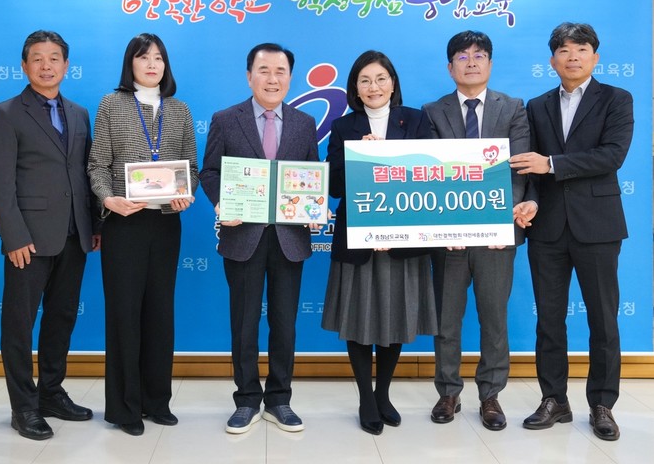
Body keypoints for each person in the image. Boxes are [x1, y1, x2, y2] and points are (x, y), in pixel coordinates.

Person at [509, 22, 633, 441]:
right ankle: (554, 400)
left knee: (603, 320)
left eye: (581, 49)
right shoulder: (537, 105)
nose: (573, 57)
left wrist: (553, 164)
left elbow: (611, 156)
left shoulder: (616, 99)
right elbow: (531, 169)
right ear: (552, 60)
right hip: (547, 227)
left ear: (595, 57)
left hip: (597, 225)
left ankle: (602, 404)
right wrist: (530, 199)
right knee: (549, 320)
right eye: (564, 50)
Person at [0, 30, 101, 441]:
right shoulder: (6, 114)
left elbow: (86, 173)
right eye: (37, 58)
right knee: (19, 324)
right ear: (24, 65)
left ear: (66, 65)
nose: (46, 65)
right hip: (28, 239)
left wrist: (94, 225)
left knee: (61, 317)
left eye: (54, 58)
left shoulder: (79, 113)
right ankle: (23, 406)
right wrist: (13, 236)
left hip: (74, 233)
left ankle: (51, 392)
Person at [200, 42, 318, 435]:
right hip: (243, 235)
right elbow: (210, 172)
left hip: (289, 238)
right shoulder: (226, 119)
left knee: (285, 323)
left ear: (290, 77)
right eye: (264, 70)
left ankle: (280, 399)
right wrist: (222, 203)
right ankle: (247, 400)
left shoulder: (304, 123)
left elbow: (311, 174)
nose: (272, 78)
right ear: (249, 75)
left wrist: (313, 208)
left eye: (280, 71)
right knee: (244, 322)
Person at [87, 33, 199, 436]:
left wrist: (185, 194)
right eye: (143, 57)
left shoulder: (180, 110)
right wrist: (108, 199)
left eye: (158, 58)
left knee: (159, 314)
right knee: (124, 315)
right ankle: (124, 408)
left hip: (166, 224)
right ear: (130, 63)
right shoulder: (111, 104)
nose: (152, 65)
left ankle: (157, 402)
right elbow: (97, 165)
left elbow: (192, 168)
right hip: (124, 224)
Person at [321, 50, 438, 435]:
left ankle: (383, 393)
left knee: (394, 316)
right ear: (355, 88)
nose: (374, 87)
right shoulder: (343, 126)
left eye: (381, 79)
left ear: (393, 83)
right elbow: (333, 187)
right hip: (359, 238)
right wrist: (361, 158)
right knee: (358, 319)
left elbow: (429, 176)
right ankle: (365, 398)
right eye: (365, 80)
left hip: (402, 239)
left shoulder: (416, 120)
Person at [422, 30, 531, 431]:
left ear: (490, 63)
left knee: (494, 318)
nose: (471, 62)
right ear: (450, 67)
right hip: (448, 237)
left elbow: (519, 167)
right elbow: (429, 172)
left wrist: (500, 221)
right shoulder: (432, 112)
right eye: (462, 56)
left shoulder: (513, 108)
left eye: (479, 55)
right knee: (446, 320)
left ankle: (491, 395)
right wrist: (444, 226)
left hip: (496, 236)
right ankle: (448, 392)